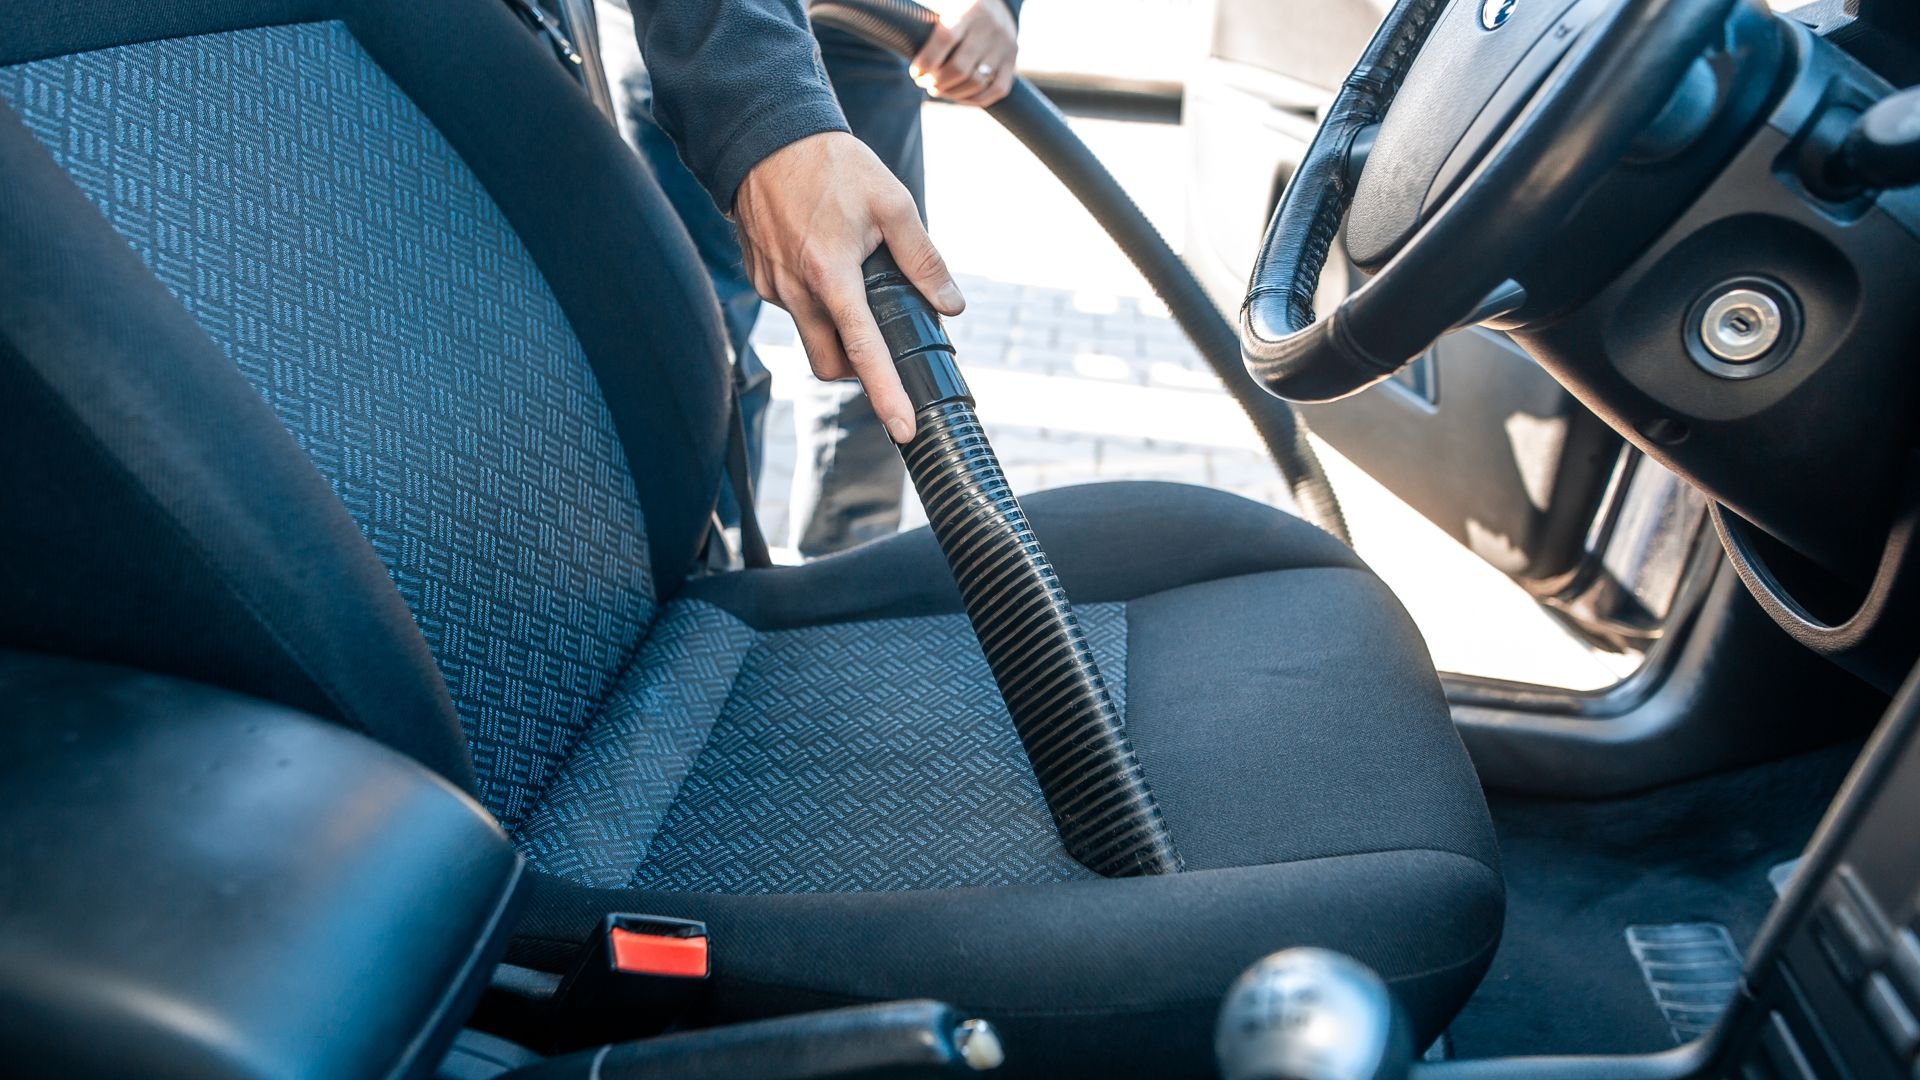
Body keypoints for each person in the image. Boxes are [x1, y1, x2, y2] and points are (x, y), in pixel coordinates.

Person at [603, 0, 1020, 556]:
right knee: (703, 341)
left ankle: (847, 576)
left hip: (861, 38)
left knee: (882, 330)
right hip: (685, 28)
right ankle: (711, 568)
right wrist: (767, 117)